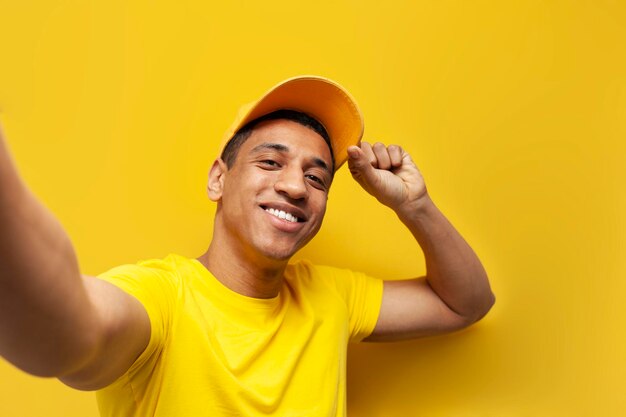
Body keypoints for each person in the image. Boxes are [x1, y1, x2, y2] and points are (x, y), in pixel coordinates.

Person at [0, 75, 495, 416]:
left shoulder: (332, 297)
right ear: (219, 178)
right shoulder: (164, 298)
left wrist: (416, 205)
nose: (297, 188)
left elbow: (466, 302)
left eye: (317, 178)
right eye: (270, 163)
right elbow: (75, 335)